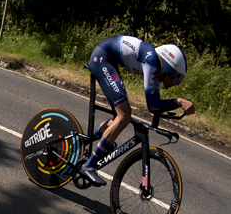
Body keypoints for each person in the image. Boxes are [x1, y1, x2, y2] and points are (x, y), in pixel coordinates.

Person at [80, 35, 195, 186]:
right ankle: (90, 165)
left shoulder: (156, 73)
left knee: (119, 118)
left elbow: (155, 106)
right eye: (175, 77)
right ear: (168, 66)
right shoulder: (152, 60)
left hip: (109, 60)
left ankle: (80, 142)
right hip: (102, 58)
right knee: (124, 116)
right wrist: (179, 101)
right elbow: (152, 105)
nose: (175, 83)